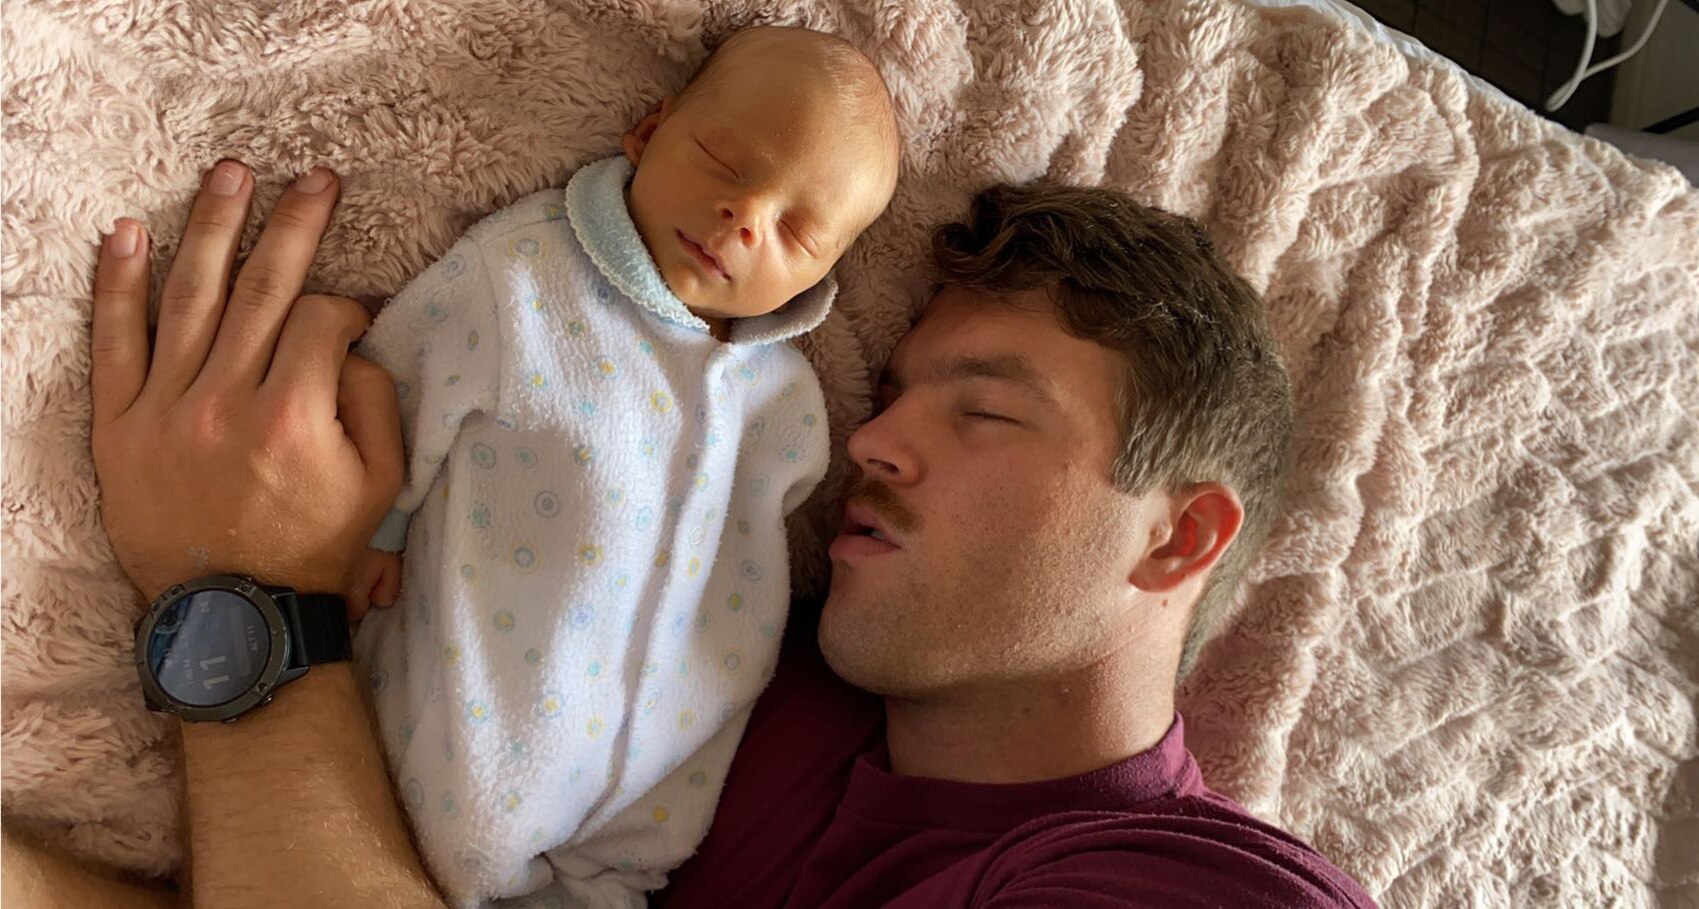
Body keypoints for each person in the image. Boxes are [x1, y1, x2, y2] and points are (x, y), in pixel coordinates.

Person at [3, 159, 1380, 907]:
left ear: (1176, 536)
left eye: (984, 414)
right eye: (891, 393)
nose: (870, 441)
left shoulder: (1188, 892)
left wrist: (240, 600)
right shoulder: (711, 696)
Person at [343, 26, 897, 905]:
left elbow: (766, 560)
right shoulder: (526, 274)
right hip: (474, 729)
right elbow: (404, 373)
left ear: (824, 272)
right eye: (723, 160)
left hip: (647, 812)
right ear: (648, 128)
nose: (746, 218)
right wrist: (378, 525)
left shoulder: (786, 397)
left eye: (797, 231)